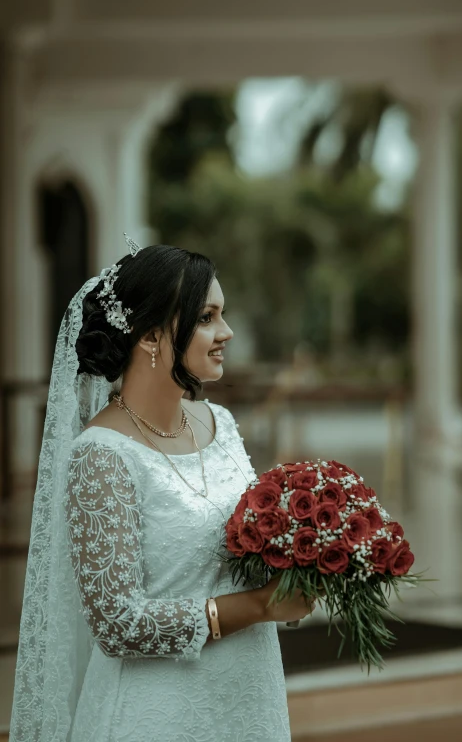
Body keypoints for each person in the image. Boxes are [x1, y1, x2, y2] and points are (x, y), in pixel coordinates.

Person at [9, 237, 317, 742]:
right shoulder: (101, 455)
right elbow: (118, 624)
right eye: (206, 317)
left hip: (249, 699)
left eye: (223, 314)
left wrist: (313, 552)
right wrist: (261, 606)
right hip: (156, 714)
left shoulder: (220, 421)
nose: (227, 332)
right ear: (151, 336)